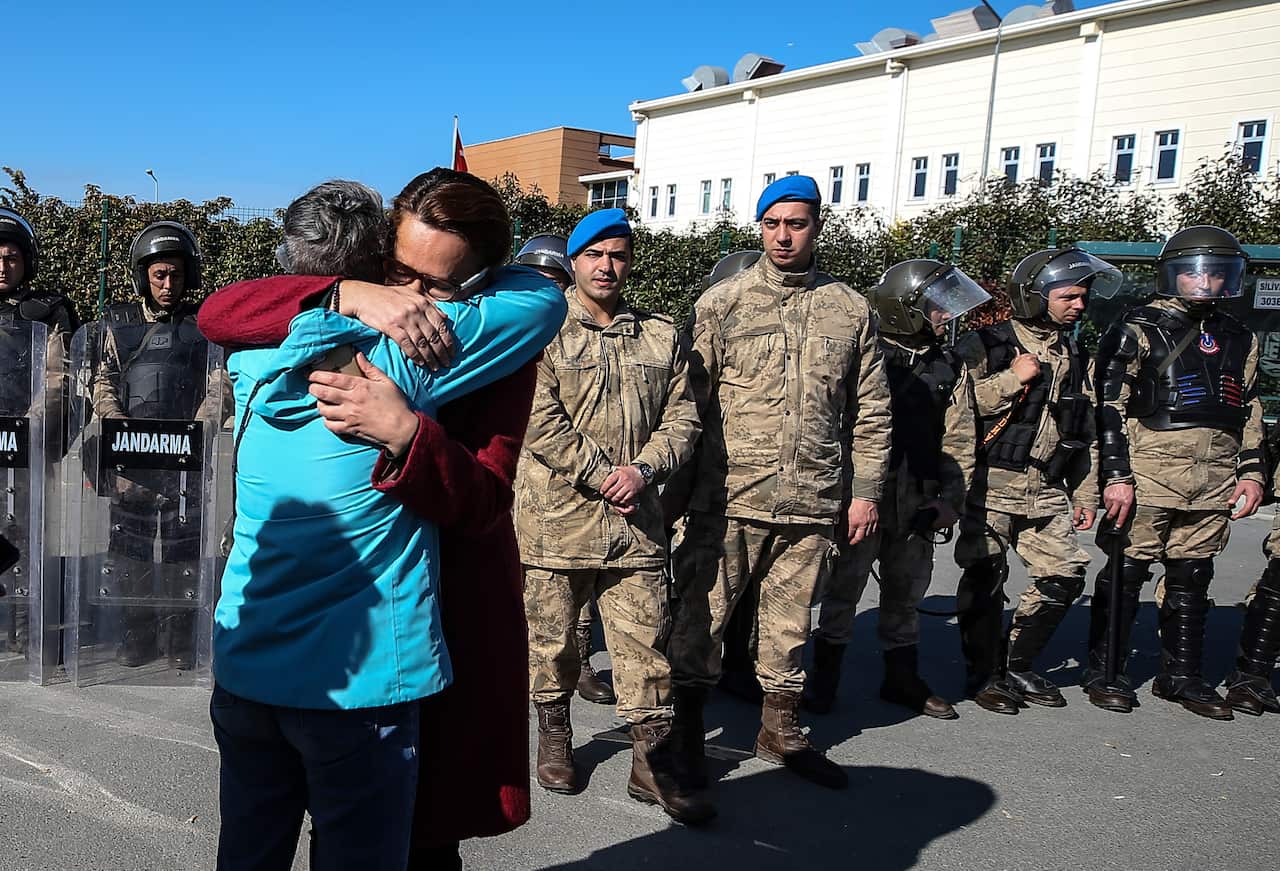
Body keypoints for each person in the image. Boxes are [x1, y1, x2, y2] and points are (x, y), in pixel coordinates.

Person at [205, 171, 566, 871]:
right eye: (398, 274)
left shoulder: (254, 358)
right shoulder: (407, 343)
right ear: (373, 260)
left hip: (312, 649)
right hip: (373, 669)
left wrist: (408, 435)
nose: (414, 302)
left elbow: (488, 499)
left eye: (438, 286)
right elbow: (546, 297)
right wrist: (352, 296)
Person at [669, 175, 892, 793]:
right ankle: (685, 732)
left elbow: (871, 408)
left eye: (796, 223)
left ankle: (781, 726)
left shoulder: (850, 309)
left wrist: (866, 491)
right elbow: (690, 402)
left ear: (817, 227)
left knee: (791, 625)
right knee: (703, 616)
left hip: (812, 496)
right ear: (759, 227)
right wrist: (681, 492)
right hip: (729, 496)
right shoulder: (723, 303)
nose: (783, 235)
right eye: (772, 224)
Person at [516, 209, 711, 824]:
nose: (607, 266)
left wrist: (644, 470)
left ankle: (650, 763)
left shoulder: (661, 335)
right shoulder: (540, 331)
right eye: (595, 254)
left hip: (636, 523)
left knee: (644, 644)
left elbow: (686, 415)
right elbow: (537, 419)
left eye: (619, 255)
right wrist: (603, 474)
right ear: (573, 261)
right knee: (552, 643)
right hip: (557, 521)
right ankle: (554, 735)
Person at [1089, 225, 1265, 720]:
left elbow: (1248, 407)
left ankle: (1182, 675)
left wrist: (1252, 473)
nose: (1205, 284)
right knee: (1128, 570)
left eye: (1216, 274)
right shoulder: (1137, 327)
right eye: (1195, 274)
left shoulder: (1239, 336)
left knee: (1192, 576)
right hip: (1150, 471)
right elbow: (1108, 406)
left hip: (1214, 474)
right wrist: (1116, 475)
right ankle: (1107, 670)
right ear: (1173, 276)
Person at [806, 259, 987, 720]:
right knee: (842, 590)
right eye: (935, 306)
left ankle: (902, 678)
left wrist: (949, 502)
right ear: (903, 308)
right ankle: (822, 681)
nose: (945, 315)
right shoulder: (862, 354)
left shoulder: (947, 364)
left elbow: (961, 438)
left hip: (918, 498)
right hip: (860, 495)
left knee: (906, 593)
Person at [952, 247, 1118, 715]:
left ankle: (1017, 662)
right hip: (990, 485)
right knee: (985, 576)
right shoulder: (988, 343)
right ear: (1034, 296)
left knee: (1064, 573)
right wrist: (1010, 379)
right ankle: (984, 674)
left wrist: (1085, 492)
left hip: (1046, 487)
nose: (1080, 305)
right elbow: (957, 409)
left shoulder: (1074, 354)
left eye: (1083, 296)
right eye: (1069, 296)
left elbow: (1080, 428)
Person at [89, 220, 227, 669]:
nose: (169, 285)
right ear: (143, 276)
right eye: (159, 275)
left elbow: (218, 387)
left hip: (183, 464)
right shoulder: (118, 325)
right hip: (131, 462)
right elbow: (103, 380)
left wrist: (199, 431)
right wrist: (118, 426)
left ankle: (182, 638)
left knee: (182, 551)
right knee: (130, 552)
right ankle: (138, 634)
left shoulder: (203, 327)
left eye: (176, 275)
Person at [513, 234, 614, 705]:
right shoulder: (514, 327)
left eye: (556, 281)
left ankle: (582, 660)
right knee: (533, 588)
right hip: (520, 473)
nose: (547, 291)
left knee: (582, 583)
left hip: (579, 478)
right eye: (538, 280)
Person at [0, 208, 78, 660]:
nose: (3, 266)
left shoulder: (47, 310)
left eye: (11, 258)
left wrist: (28, 426)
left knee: (28, 538)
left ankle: (29, 630)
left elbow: (57, 375)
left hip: (29, 443)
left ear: (26, 261)